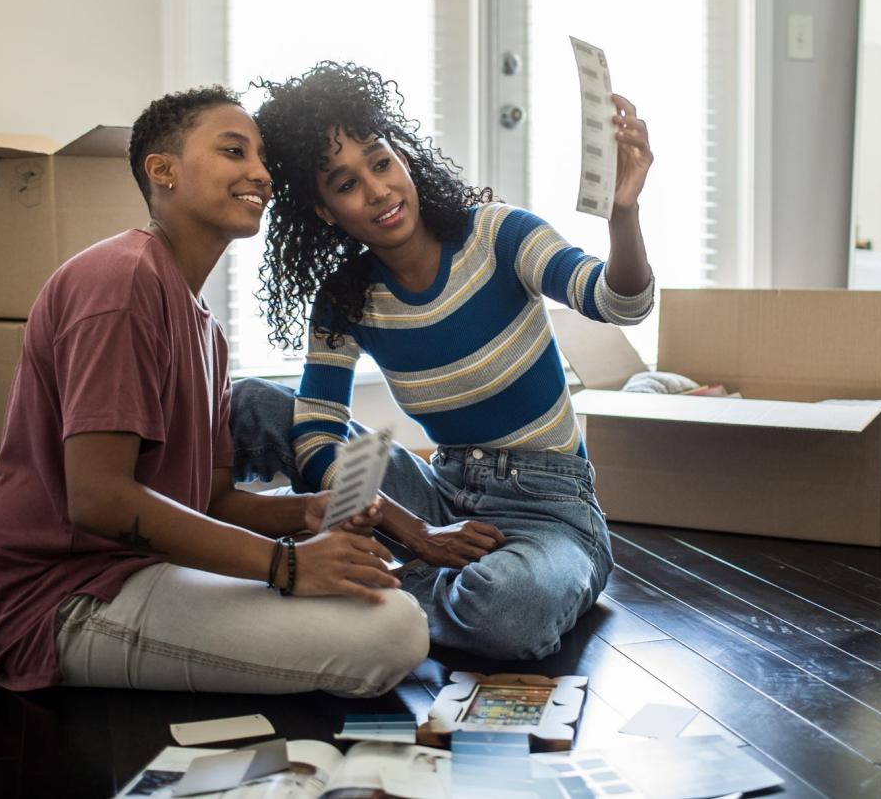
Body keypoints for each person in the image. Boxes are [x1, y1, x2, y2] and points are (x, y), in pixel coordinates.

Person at [0, 85, 429, 695]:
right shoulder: (120, 280)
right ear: (163, 171)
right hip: (66, 599)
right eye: (234, 152)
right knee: (391, 633)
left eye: (262, 159)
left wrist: (304, 514)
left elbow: (210, 500)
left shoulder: (204, 329)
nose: (260, 173)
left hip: (143, 570)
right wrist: (286, 564)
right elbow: (97, 500)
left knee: (376, 599)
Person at [231, 61, 655, 660]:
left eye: (380, 162)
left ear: (401, 158)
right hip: (438, 495)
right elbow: (316, 437)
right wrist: (418, 533)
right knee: (252, 403)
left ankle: (333, 575)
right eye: (346, 184)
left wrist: (624, 213)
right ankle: (252, 550)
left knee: (507, 612)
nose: (377, 190)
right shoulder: (345, 298)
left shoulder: (500, 237)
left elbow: (619, 302)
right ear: (325, 211)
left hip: (550, 513)